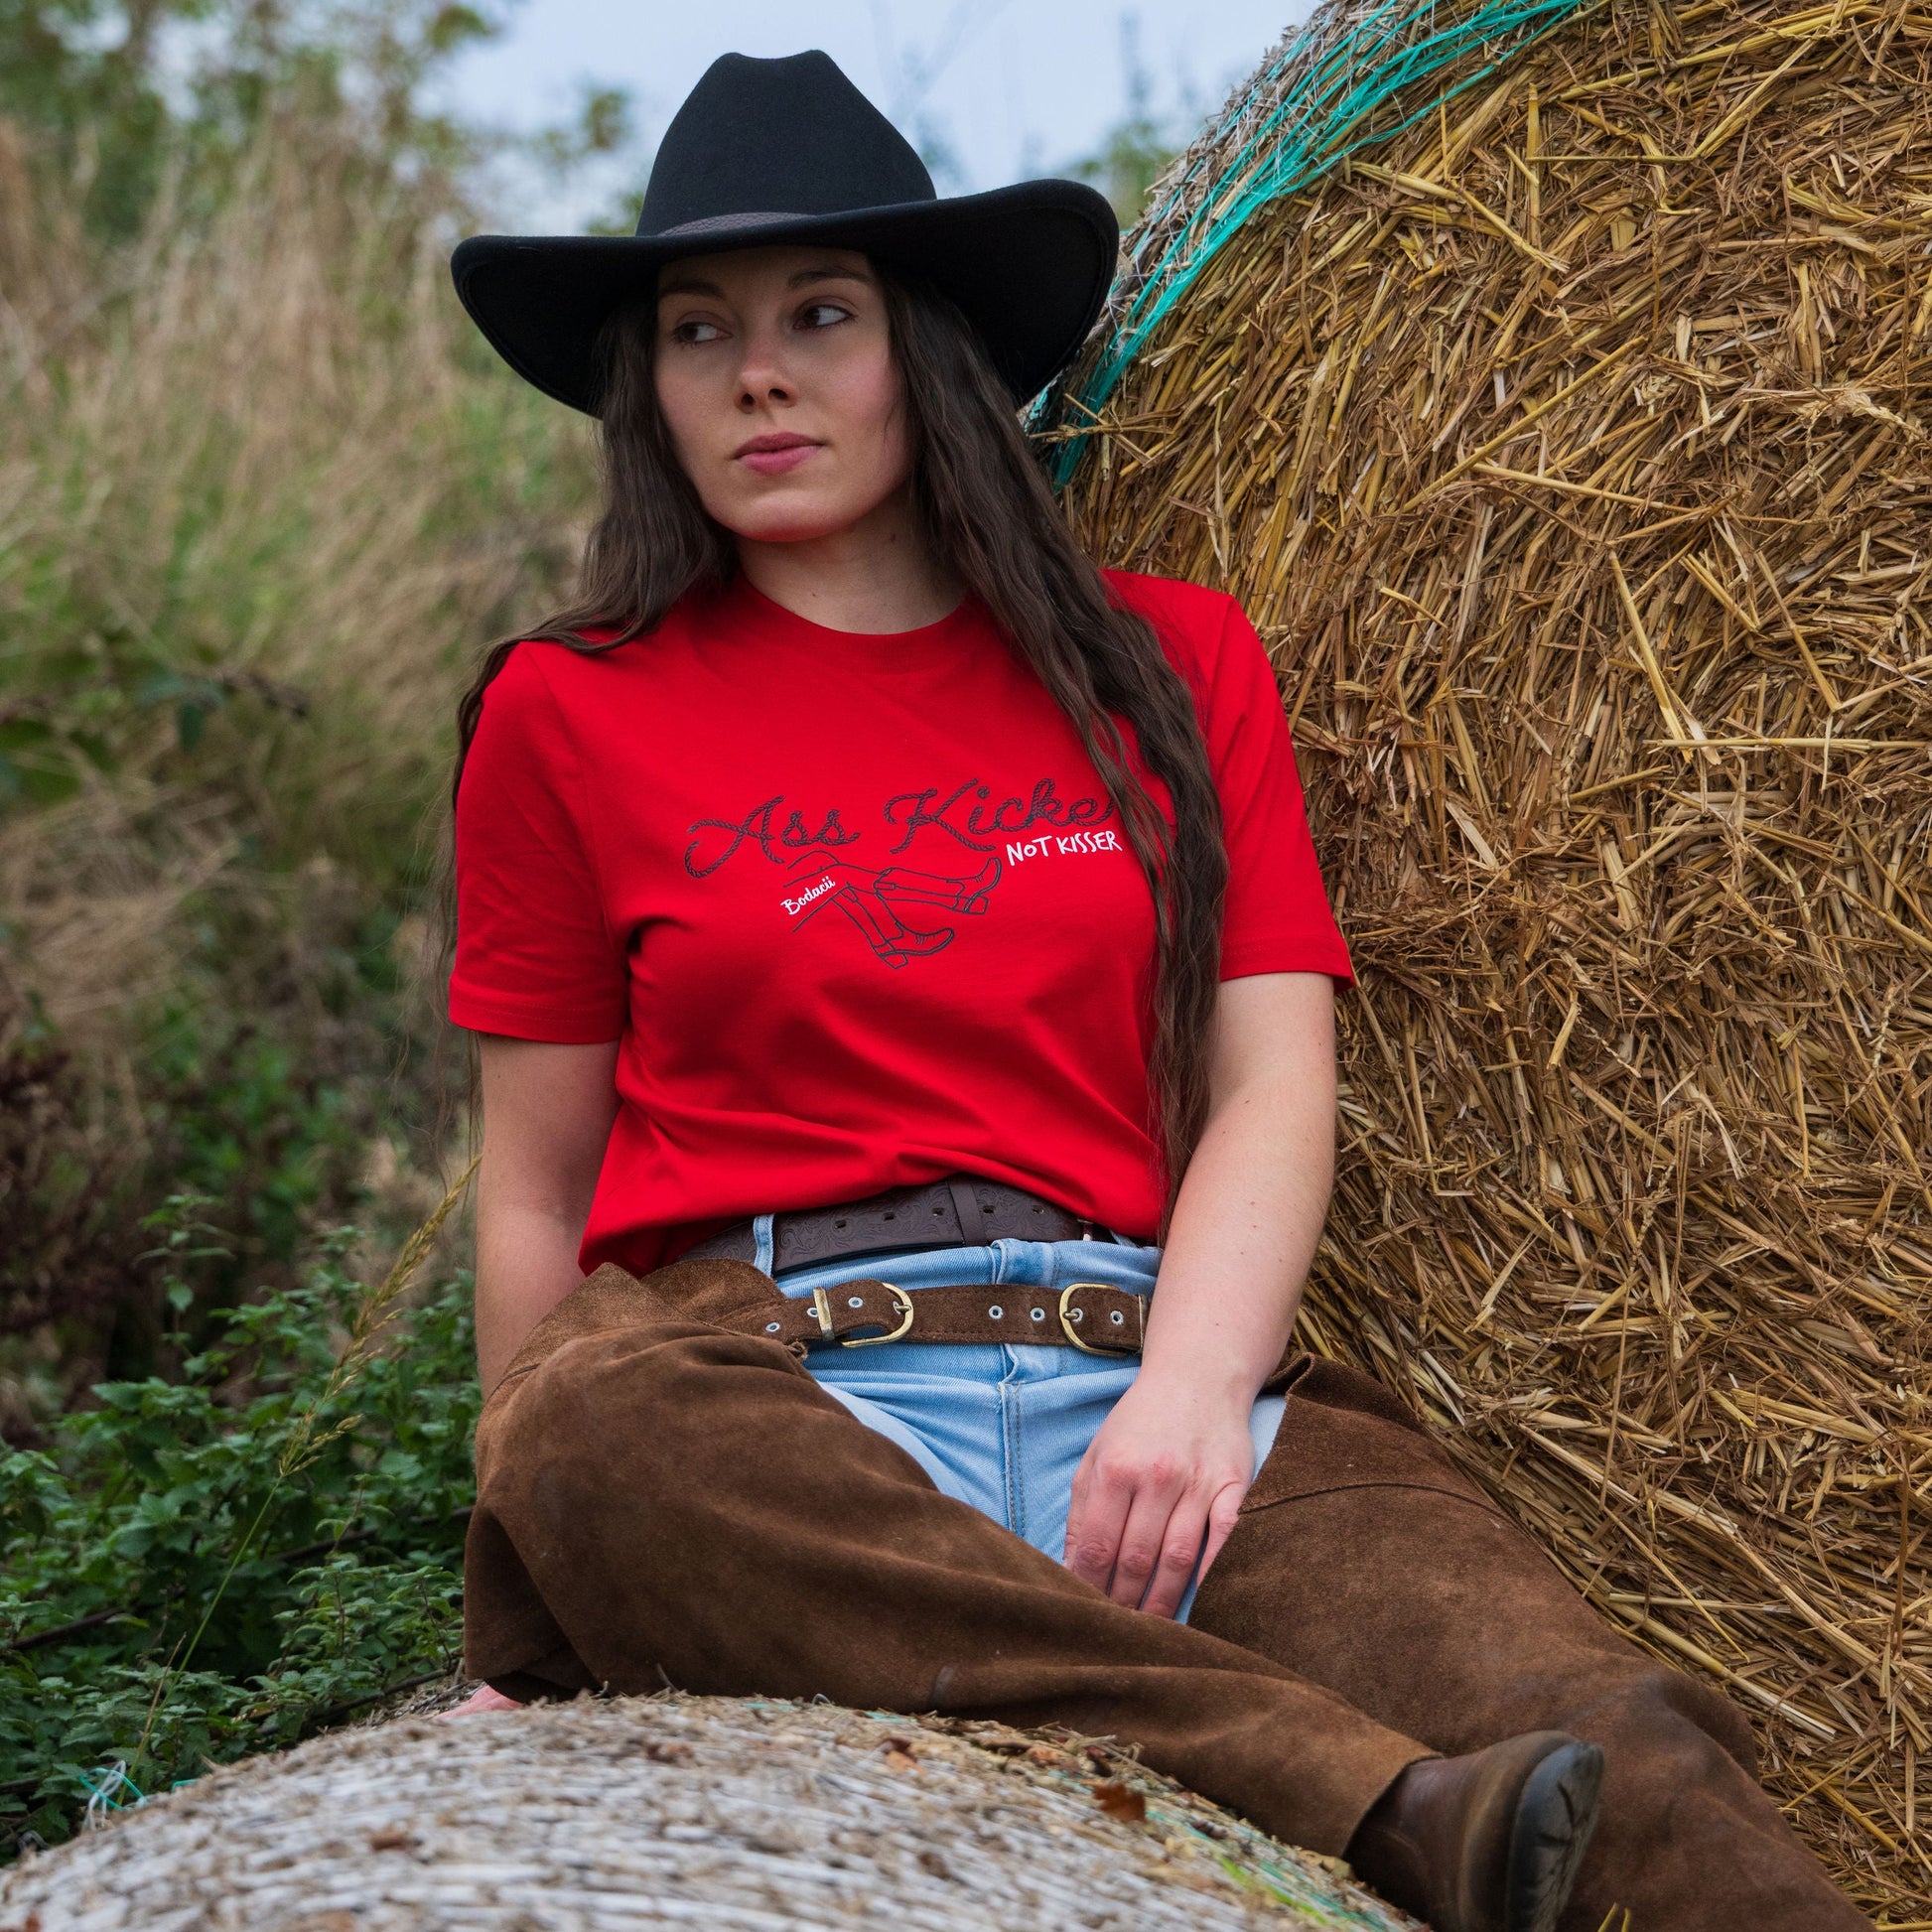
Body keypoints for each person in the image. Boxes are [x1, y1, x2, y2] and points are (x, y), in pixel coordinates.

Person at [439, 48, 1869, 1932]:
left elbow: (1271, 1075)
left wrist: (1192, 1394)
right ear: (651, 388)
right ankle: (1383, 1813)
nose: (757, 372)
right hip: (787, 1408)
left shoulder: (1166, 663)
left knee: (1628, 1757)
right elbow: (536, 1193)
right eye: (696, 331)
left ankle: (1415, 1785)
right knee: (591, 1424)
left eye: (819, 315)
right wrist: (540, 1562)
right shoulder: (571, 710)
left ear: (923, 345)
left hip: (1155, 1378)